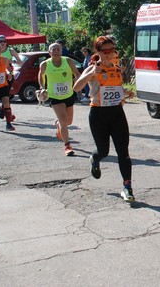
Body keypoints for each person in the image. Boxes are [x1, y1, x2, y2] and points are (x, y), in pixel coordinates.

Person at [74, 36, 136, 202]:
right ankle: (95, 158)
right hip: (98, 114)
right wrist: (90, 75)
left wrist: (125, 93)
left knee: (123, 153)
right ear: (98, 52)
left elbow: (115, 89)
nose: (109, 53)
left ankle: (127, 187)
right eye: (105, 51)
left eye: (111, 50)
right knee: (104, 151)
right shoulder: (93, 68)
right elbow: (77, 87)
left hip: (117, 113)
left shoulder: (116, 69)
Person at [38, 43, 81, 156]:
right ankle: (67, 145)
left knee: (68, 122)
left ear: (61, 51)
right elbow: (41, 76)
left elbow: (77, 74)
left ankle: (58, 125)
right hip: (54, 96)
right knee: (64, 121)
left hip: (69, 94)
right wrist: (42, 88)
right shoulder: (45, 64)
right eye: (54, 49)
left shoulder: (68, 61)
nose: (56, 51)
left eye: (58, 49)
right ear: (49, 52)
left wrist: (79, 82)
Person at [0, 35, 22, 121]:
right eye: (0, 41)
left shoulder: (10, 50)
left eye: (4, 41)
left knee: (7, 95)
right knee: (1, 95)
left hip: (9, 75)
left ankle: (6, 113)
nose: (2, 43)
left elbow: (20, 62)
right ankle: (3, 109)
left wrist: (11, 61)